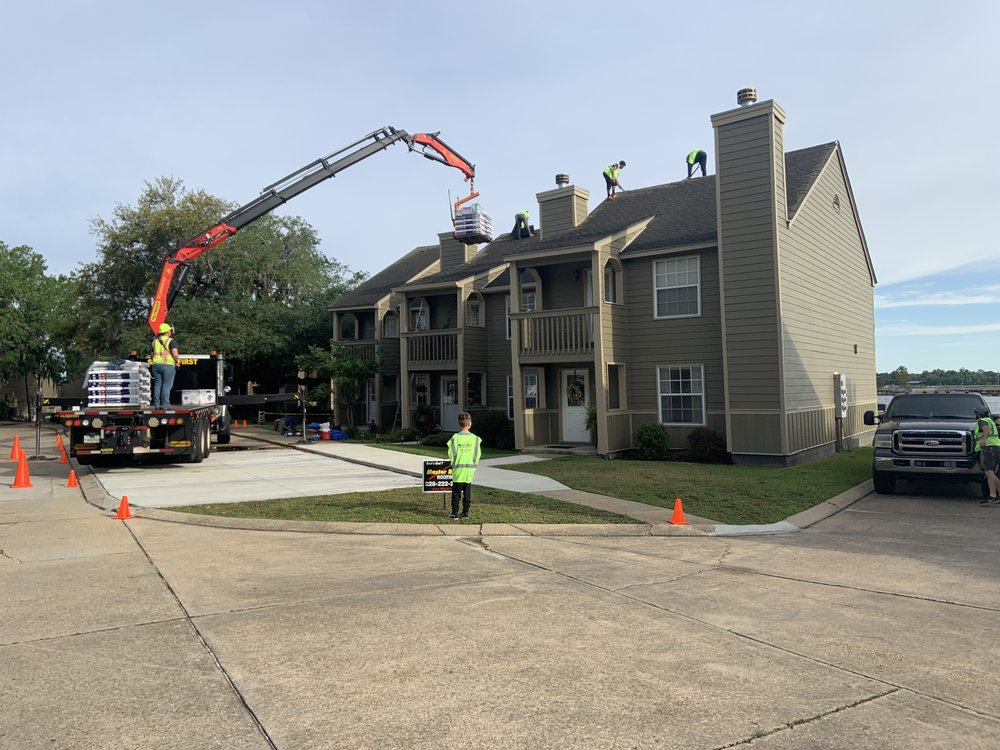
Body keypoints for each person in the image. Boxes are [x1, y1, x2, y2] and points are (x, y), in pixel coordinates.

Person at [446, 411, 483, 519]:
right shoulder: (476, 439)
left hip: (458, 469)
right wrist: (474, 465)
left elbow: (451, 453)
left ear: (459, 424)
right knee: (467, 492)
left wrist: (453, 464)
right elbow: (478, 454)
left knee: (456, 492)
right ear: (470, 423)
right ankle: (465, 513)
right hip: (469, 470)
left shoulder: (455, 438)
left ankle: (454, 513)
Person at [974, 405, 1000, 505]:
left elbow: (985, 429)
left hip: (988, 448)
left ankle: (992, 496)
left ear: (978, 413)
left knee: (989, 472)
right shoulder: (991, 420)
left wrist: (983, 439)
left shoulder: (982, 421)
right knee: (991, 473)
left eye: (976, 413)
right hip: (996, 447)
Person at [150, 323, 181, 408]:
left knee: (157, 384)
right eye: (170, 330)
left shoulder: (154, 342)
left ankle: (156, 404)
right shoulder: (171, 341)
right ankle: (165, 404)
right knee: (167, 385)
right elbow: (175, 353)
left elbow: (152, 354)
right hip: (168, 365)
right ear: (167, 332)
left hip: (156, 365)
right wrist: (177, 361)